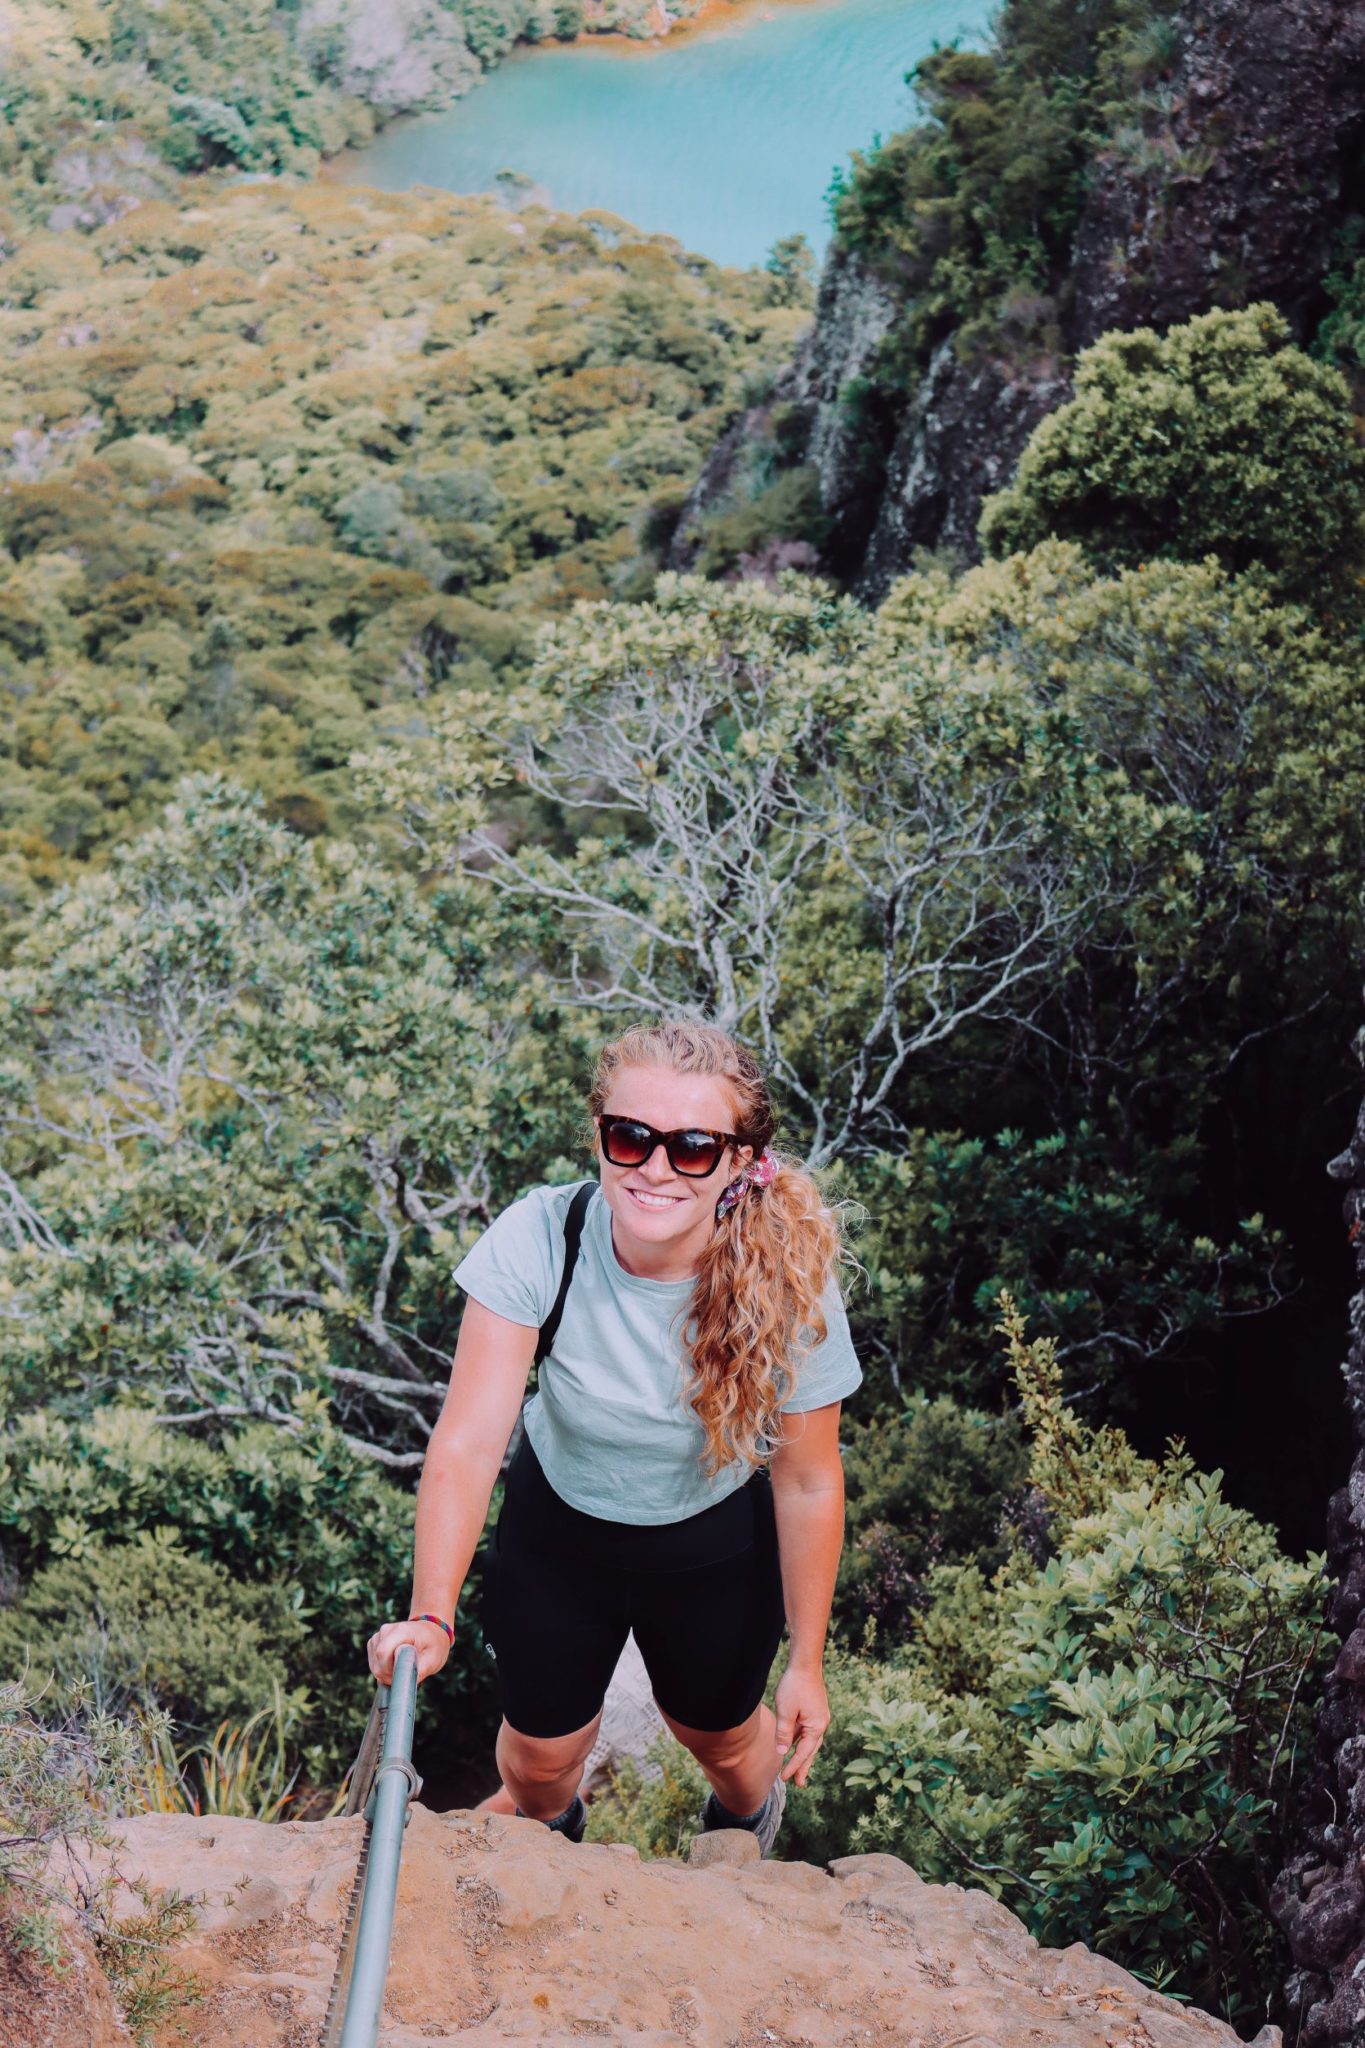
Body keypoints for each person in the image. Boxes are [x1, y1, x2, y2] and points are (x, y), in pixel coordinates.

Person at [366, 1018, 861, 1856]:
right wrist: (432, 1617)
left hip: (709, 1544)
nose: (655, 1168)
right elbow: (468, 1441)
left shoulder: (788, 1286)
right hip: (561, 1530)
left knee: (726, 1745)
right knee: (535, 1764)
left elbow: (808, 1480)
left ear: (739, 1160)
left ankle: (740, 1834)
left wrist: (805, 1662)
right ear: (598, 1135)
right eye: (629, 1137)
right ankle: (556, 1853)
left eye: (693, 1148)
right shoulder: (542, 1238)